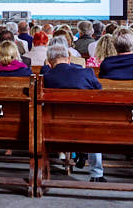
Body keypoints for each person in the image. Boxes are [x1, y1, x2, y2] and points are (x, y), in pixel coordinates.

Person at [39, 42, 105, 183]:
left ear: (49, 62)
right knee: (94, 126)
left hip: (54, 126)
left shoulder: (45, 78)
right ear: (68, 58)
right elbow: (100, 93)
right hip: (85, 124)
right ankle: (96, 173)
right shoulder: (86, 73)